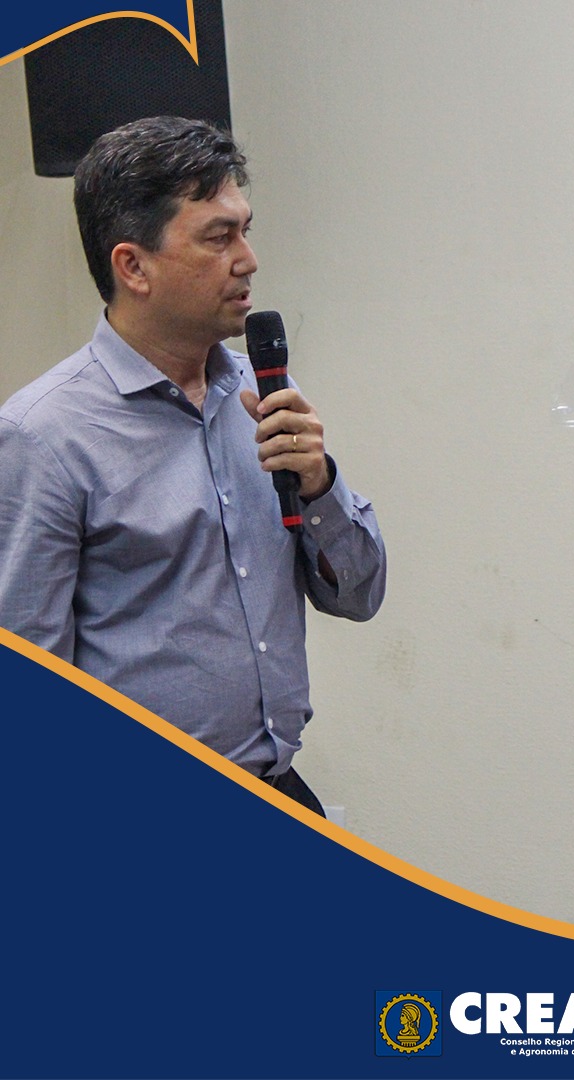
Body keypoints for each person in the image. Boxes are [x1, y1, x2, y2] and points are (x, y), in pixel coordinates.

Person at [0, 116, 386, 815]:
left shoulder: (261, 394)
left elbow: (359, 596)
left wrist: (320, 484)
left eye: (246, 230)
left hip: (281, 788)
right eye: (218, 237)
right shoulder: (45, 436)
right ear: (133, 267)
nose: (249, 259)